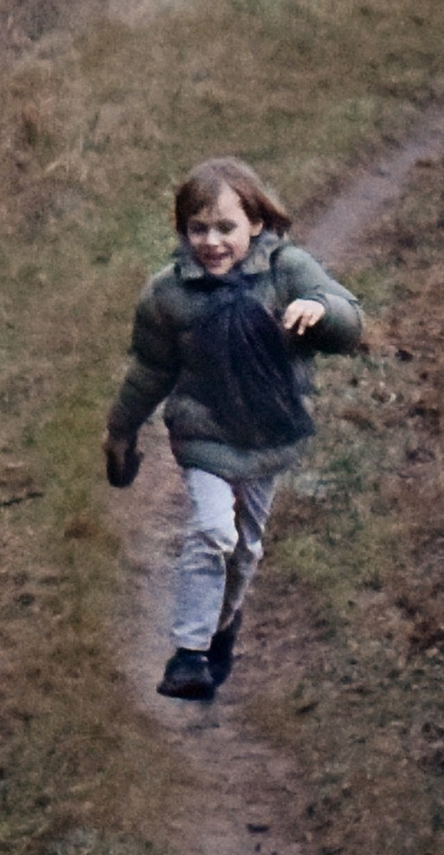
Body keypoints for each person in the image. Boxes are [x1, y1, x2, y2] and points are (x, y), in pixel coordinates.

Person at [103, 152, 365, 703]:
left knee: (245, 550)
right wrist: (121, 431)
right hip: (204, 436)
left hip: (270, 434)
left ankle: (222, 626)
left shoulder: (287, 270)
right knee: (213, 532)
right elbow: (150, 371)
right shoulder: (168, 295)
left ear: (257, 223)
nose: (212, 241)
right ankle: (188, 652)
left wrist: (320, 310)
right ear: (182, 230)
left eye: (226, 227)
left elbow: (349, 321)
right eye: (198, 229)